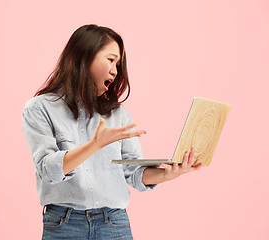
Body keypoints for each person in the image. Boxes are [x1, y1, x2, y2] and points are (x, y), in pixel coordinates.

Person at [22, 24, 202, 240]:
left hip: (114, 224)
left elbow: (133, 172)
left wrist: (169, 173)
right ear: (84, 56)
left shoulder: (118, 115)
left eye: (118, 64)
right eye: (110, 60)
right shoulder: (39, 108)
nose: (115, 71)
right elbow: (48, 169)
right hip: (64, 225)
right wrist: (94, 145)